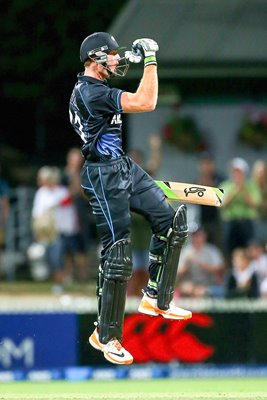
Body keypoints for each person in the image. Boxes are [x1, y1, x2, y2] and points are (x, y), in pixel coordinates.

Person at [69, 32, 192, 365]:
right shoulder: (91, 92)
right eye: (110, 55)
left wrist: (132, 57)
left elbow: (124, 76)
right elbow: (146, 102)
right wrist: (150, 59)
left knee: (173, 223)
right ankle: (106, 335)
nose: (116, 60)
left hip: (123, 165)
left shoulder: (96, 89)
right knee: (118, 253)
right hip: (101, 174)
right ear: (95, 58)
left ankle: (156, 296)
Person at [127, 135, 162, 296]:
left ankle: (146, 297)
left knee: (147, 270)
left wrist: (155, 148)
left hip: (145, 231)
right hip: (131, 232)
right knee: (134, 271)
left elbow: (154, 165)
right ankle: (133, 298)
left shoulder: (143, 176)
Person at [220, 157, 262, 261]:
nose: (236, 174)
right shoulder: (225, 185)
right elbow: (223, 204)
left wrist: (242, 189)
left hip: (246, 222)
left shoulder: (251, 186)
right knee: (230, 251)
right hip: (230, 222)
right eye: (234, 171)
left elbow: (254, 204)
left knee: (249, 250)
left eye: (239, 172)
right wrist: (235, 189)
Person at [177, 226, 225, 298]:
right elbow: (178, 272)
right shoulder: (186, 251)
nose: (196, 238)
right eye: (194, 236)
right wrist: (187, 264)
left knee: (206, 291)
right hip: (191, 285)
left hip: (208, 284)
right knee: (187, 288)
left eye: (199, 235)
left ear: (204, 236)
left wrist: (201, 264)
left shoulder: (212, 250)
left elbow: (220, 268)